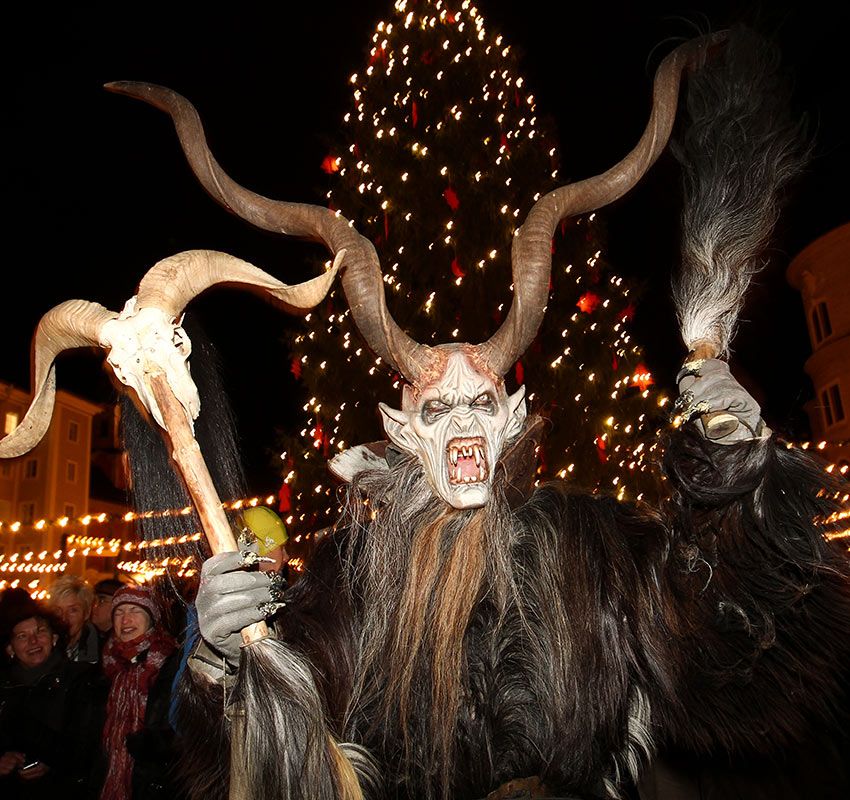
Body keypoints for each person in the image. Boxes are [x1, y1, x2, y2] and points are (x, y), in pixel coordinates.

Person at [0, 603, 103, 799]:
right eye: (22, 636)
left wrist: (52, 762)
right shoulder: (4, 686)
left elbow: (87, 746)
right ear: (10, 649)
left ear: (54, 638)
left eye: (41, 632)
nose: (33, 641)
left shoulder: (80, 679)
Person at [98, 584, 183, 800]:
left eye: (135, 611)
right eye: (119, 612)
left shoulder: (171, 665)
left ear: (151, 618)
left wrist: (148, 745)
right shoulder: (106, 668)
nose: (125, 620)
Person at [48, 575, 100, 664]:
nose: (64, 618)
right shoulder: (44, 647)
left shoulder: (102, 650)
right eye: (58, 611)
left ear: (87, 613)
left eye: (73, 610)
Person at [90, 578, 126, 643]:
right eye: (93, 600)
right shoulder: (87, 636)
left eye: (102, 601)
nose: (94, 606)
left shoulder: (122, 644)